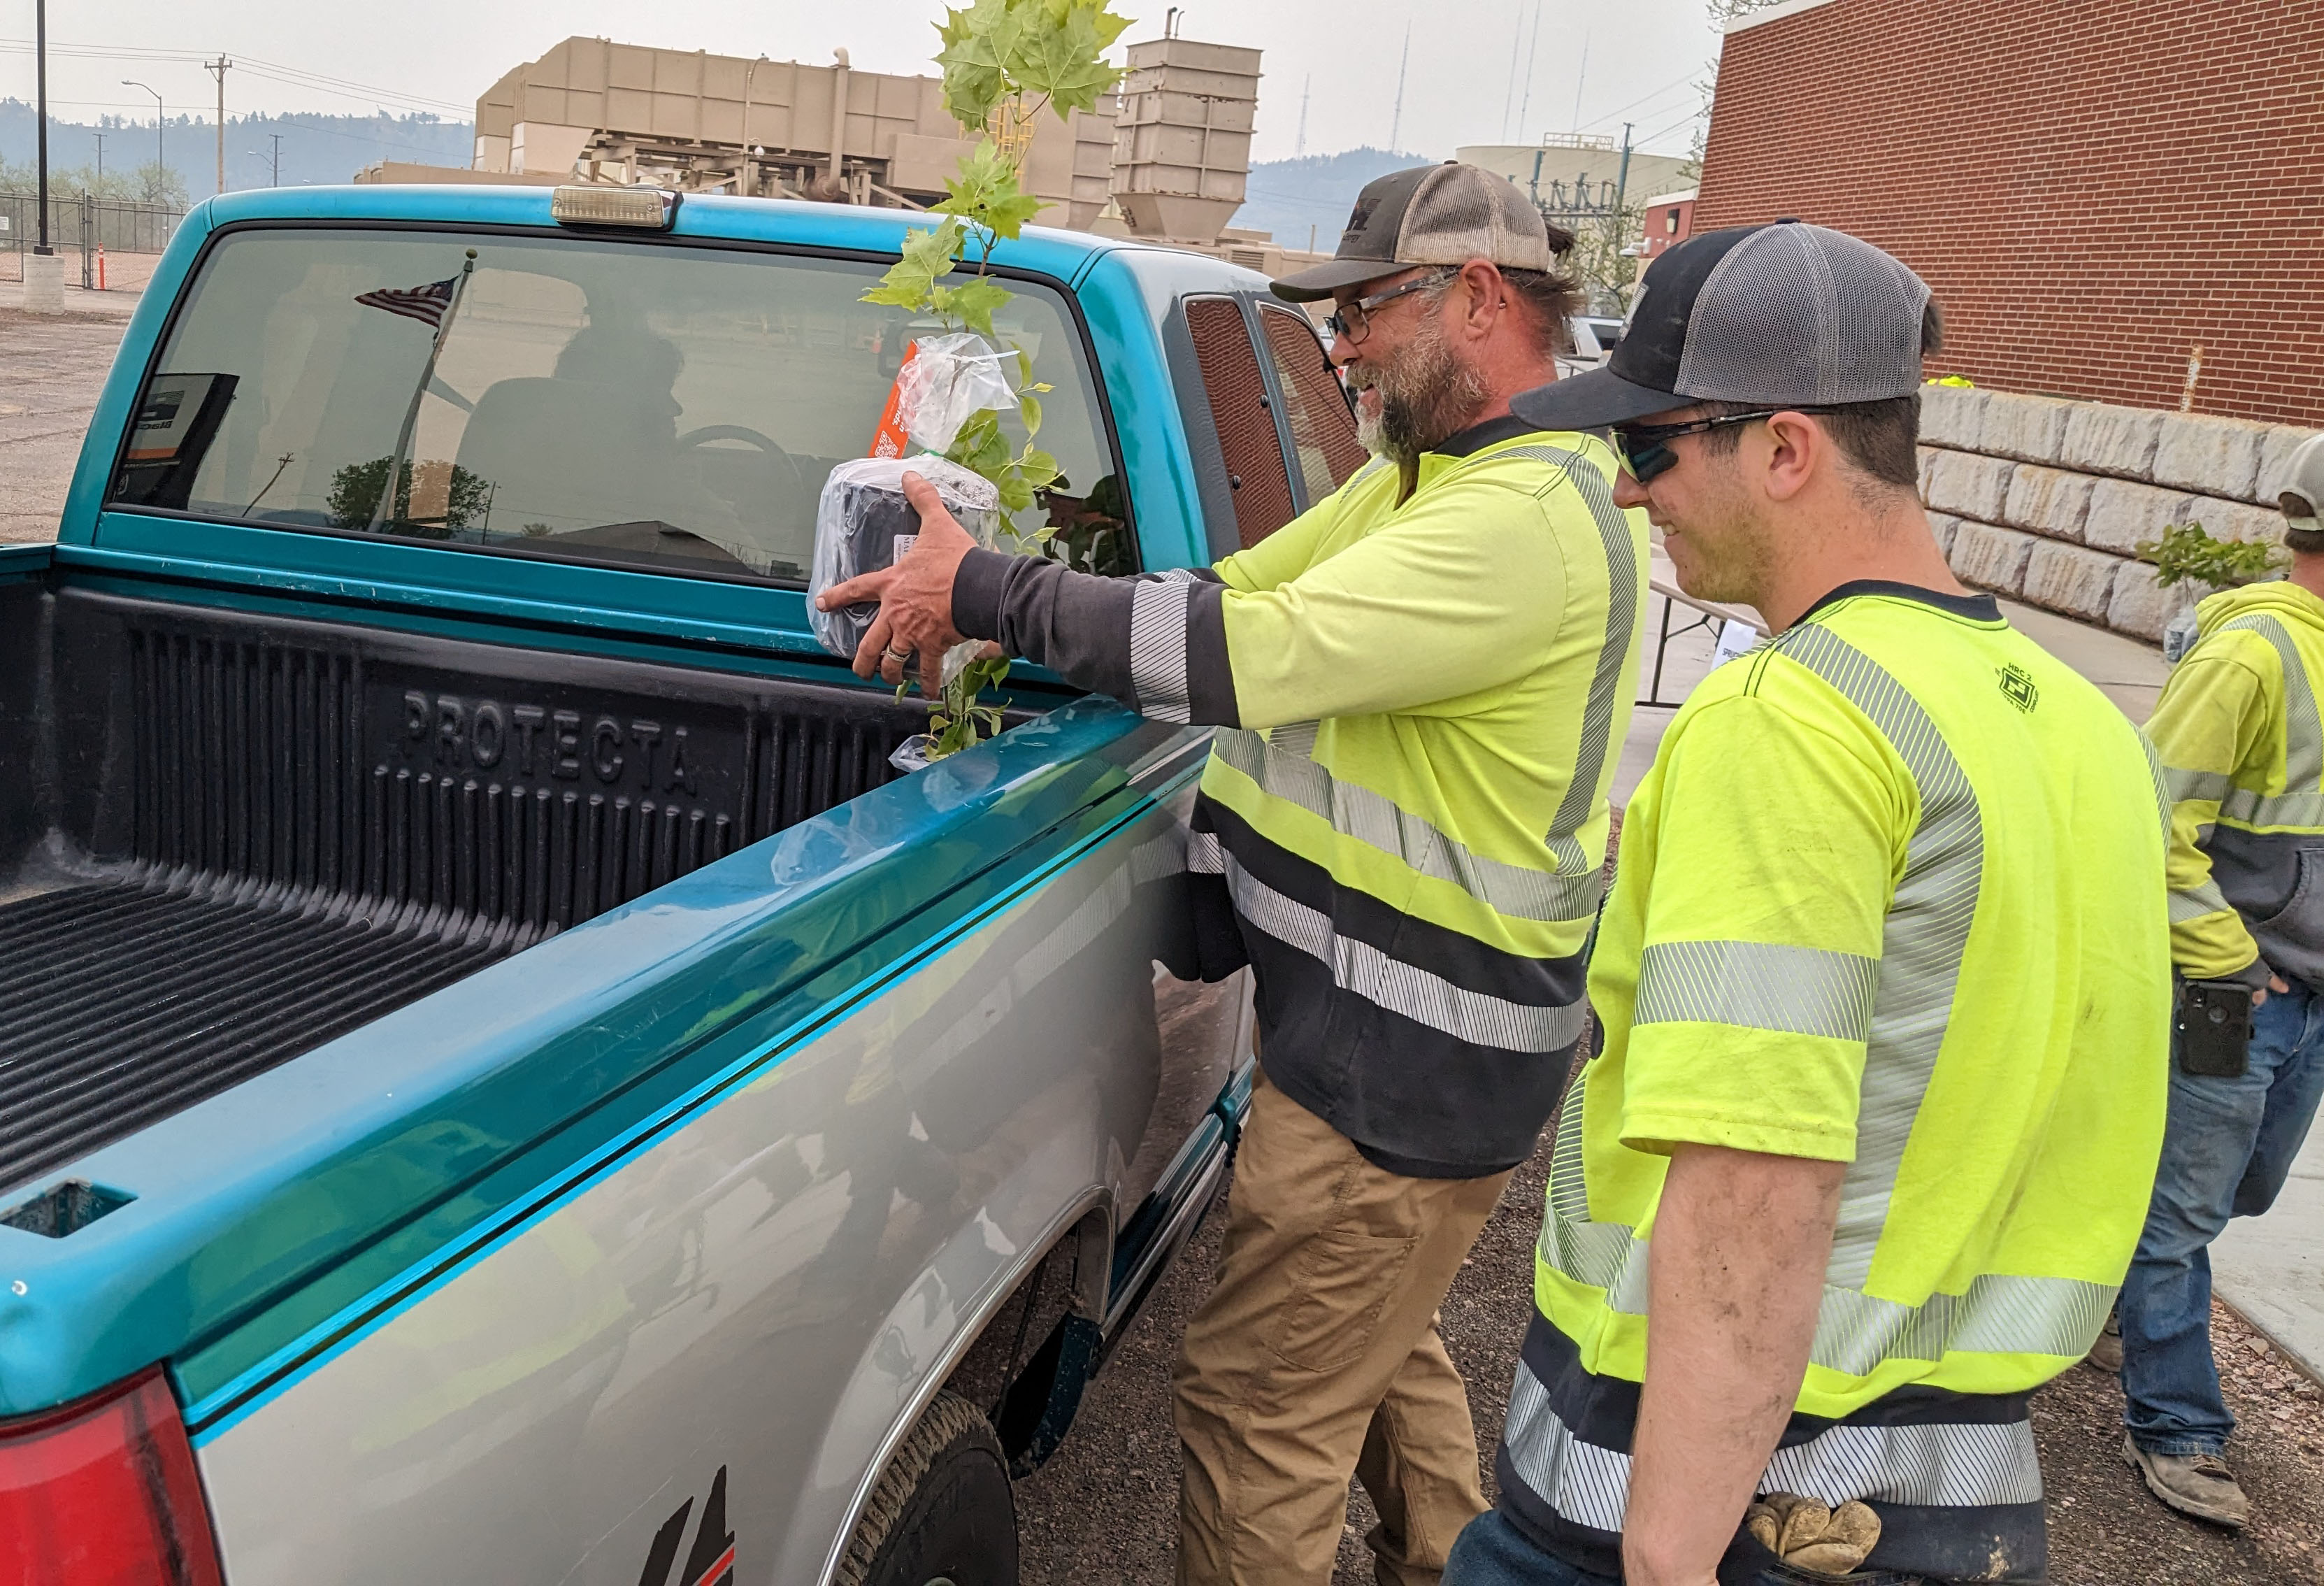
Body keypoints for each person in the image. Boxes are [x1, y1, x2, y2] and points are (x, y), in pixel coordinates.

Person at [817, 161, 1651, 1585]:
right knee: (1376, 1352)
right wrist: (1010, 603)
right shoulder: (1435, 485)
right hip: (1410, 1049)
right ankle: (1459, 1561)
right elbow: (1234, 594)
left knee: (1264, 1413)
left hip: (1404, 1071)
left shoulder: (1518, 526)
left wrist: (987, 591)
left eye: (1367, 312)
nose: (1344, 348)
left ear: (1478, 296)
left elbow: (1239, 663)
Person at [1441, 221, 2173, 1586]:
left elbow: (1755, 1190)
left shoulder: (1793, 721)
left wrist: (1667, 1555)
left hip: (1694, 1503)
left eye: (1650, 450)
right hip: (1966, 1500)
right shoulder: (2086, 732)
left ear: (1786, 450)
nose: (1628, 493)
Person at [2106, 431, 2324, 1529]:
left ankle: (2105, 1299)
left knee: (2244, 1187)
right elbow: (2154, 819)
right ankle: (2179, 1429)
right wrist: (2231, 960)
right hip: (2237, 994)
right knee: (2183, 1216)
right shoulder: (2254, 659)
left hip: (2305, 998)